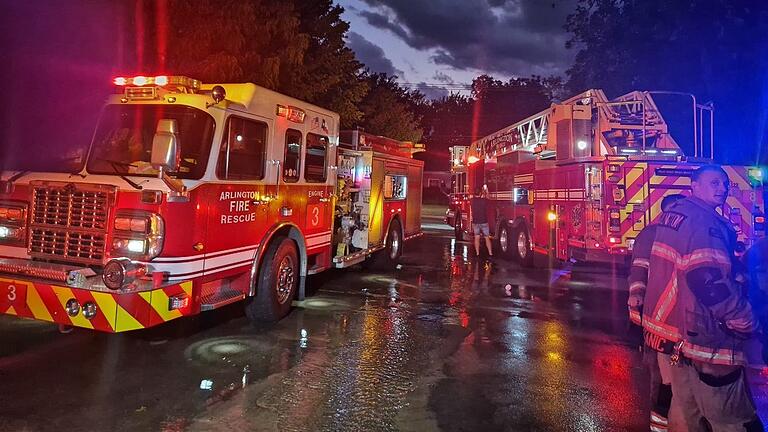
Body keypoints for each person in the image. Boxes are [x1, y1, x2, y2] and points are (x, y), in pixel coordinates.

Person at [642, 165, 762, 431]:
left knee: (686, 410)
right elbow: (707, 279)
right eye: (714, 183)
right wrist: (742, 317)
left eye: (724, 183)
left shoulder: (676, 214)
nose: (722, 188)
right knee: (730, 416)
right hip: (702, 333)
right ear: (694, 186)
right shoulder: (705, 223)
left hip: (673, 334)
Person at [627, 193, 685, 432]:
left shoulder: (681, 235)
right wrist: (636, 302)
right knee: (660, 378)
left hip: (673, 320)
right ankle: (658, 425)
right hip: (652, 320)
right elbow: (639, 271)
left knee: (674, 379)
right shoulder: (650, 235)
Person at [470, 186, 493, 257]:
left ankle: (477, 253)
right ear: (480, 193)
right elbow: (489, 198)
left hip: (475, 222)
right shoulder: (483, 200)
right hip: (484, 222)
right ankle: (490, 253)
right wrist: (486, 190)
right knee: (487, 237)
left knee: (477, 237)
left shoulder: (472, 200)